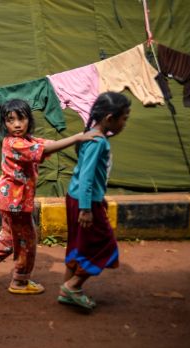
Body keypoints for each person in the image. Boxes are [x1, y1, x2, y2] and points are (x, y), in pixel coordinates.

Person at [0, 99, 103, 295]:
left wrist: (81, 136)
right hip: (15, 203)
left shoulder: (28, 140)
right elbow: (45, 150)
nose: (17, 124)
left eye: (21, 118)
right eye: (10, 120)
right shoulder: (14, 143)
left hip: (10, 201)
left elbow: (48, 143)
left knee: (9, 239)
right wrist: (78, 138)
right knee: (27, 241)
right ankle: (19, 281)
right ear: (4, 124)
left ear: (29, 120)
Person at [59, 92, 131, 311]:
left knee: (77, 243)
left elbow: (90, 175)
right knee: (105, 246)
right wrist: (87, 208)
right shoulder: (97, 141)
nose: (124, 123)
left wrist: (96, 199)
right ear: (109, 118)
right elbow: (88, 175)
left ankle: (65, 288)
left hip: (79, 198)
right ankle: (73, 286)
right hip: (84, 202)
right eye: (123, 118)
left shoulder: (91, 136)